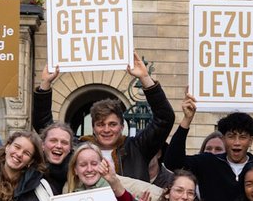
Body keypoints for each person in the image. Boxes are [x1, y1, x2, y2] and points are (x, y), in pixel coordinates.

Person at [33, 56, 175, 179]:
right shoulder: (77, 148)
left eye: (112, 124)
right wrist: (45, 83)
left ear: (122, 126)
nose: (106, 129)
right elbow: (44, 126)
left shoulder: (137, 148)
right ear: (93, 128)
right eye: (100, 124)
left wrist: (144, 78)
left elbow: (165, 118)